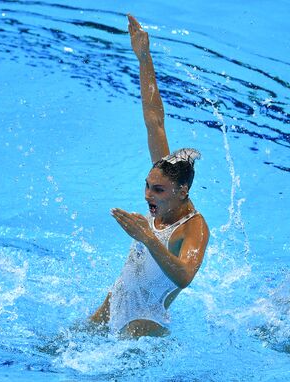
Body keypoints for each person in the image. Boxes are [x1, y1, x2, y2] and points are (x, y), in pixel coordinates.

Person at [89, 14, 209, 337]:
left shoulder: (194, 227)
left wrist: (147, 239)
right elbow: (154, 119)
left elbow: (184, 274)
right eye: (147, 186)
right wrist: (144, 57)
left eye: (157, 190)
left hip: (146, 322)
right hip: (118, 301)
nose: (147, 195)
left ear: (182, 191)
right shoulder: (165, 176)